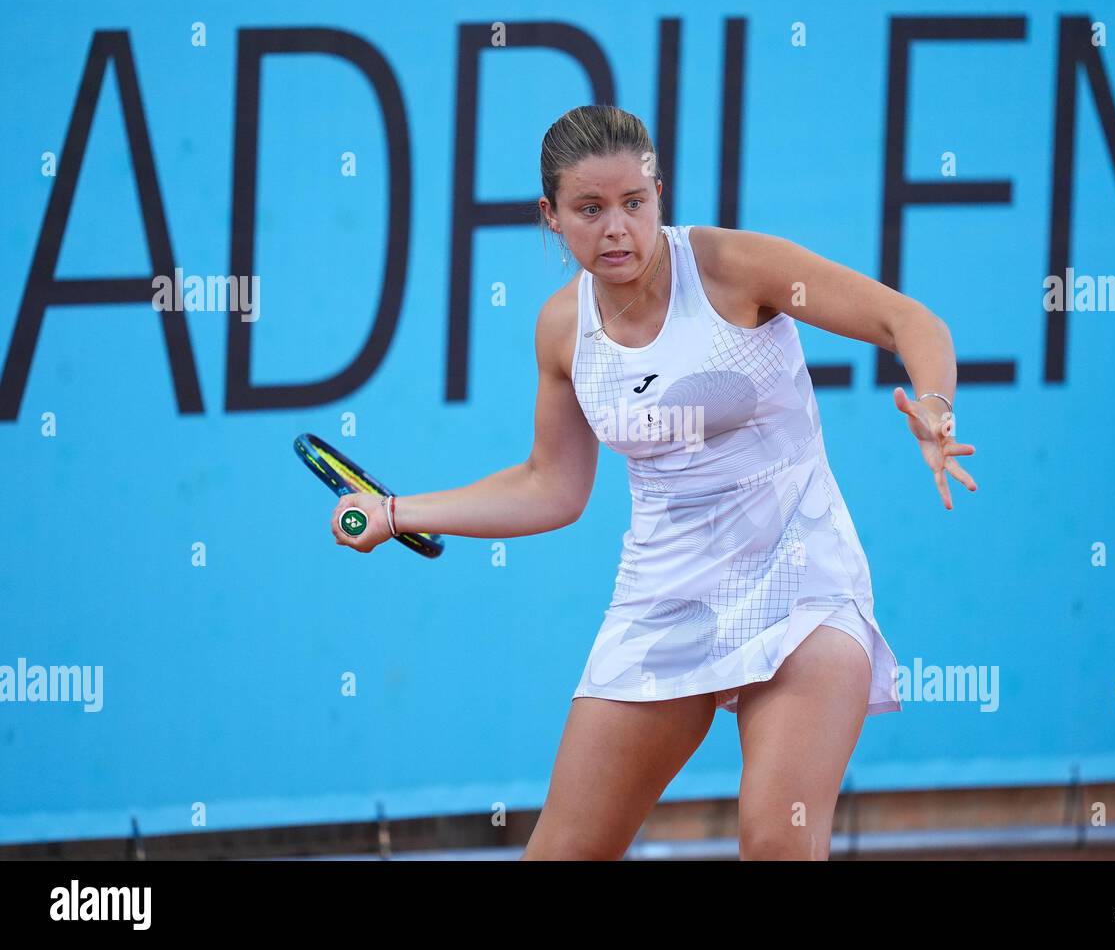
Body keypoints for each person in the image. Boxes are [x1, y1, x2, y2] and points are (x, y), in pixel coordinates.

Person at [329, 104, 977, 860]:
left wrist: (933, 406)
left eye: (634, 203)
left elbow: (909, 322)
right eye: (590, 209)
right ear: (552, 216)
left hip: (802, 583)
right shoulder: (562, 330)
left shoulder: (735, 268)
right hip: (663, 600)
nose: (616, 229)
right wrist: (397, 510)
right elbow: (551, 487)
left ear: (659, 195)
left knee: (777, 841)